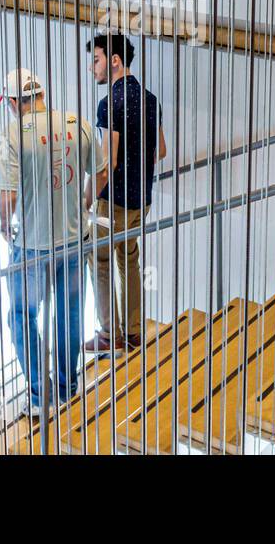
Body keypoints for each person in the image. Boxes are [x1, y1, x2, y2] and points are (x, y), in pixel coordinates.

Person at [0, 67, 105, 418]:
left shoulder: (13, 135)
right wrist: (85, 203)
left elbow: (8, 197)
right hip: (74, 241)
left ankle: (42, 396)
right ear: (41, 94)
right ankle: (67, 387)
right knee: (69, 314)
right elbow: (102, 171)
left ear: (14, 102)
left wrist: (2, 224)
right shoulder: (77, 123)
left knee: (22, 317)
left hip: (32, 247)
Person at [82, 33, 167, 356]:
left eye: (96, 60)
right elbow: (160, 150)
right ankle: (133, 332)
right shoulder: (150, 98)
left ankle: (108, 334)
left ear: (114, 60)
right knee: (129, 258)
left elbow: (108, 162)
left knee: (99, 259)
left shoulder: (110, 104)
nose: (93, 69)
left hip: (113, 201)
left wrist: (87, 201)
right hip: (141, 200)